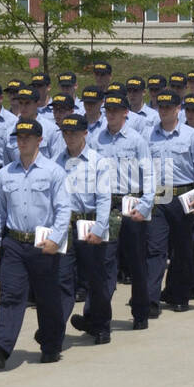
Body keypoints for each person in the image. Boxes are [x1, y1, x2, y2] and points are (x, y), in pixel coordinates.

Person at [0, 119, 73, 367]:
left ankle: (51, 345)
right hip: (14, 243)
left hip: (43, 244)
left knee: (47, 298)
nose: (21, 141)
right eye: (19, 137)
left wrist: (56, 239)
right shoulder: (5, 173)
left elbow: (63, 209)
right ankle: (1, 347)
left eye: (27, 137)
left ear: (39, 140)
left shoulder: (54, 171)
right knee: (10, 295)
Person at [94, 93, 157, 329]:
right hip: (106, 207)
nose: (110, 113)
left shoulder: (136, 140)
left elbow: (149, 174)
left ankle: (140, 312)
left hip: (131, 206)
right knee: (105, 263)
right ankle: (99, 318)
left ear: (125, 112)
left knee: (136, 263)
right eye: (107, 109)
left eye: (115, 109)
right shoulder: (96, 138)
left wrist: (146, 204)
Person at [146, 90, 194, 314]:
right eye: (160, 106)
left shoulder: (191, 136)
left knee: (183, 250)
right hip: (158, 196)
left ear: (177, 110)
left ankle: (179, 294)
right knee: (155, 249)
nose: (163, 110)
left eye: (168, 107)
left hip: (183, 196)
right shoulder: (149, 135)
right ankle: (150, 300)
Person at [57, 114, 116, 344]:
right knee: (62, 279)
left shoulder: (97, 162)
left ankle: (100, 325)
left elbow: (103, 198)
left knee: (96, 280)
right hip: (65, 226)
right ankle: (55, 328)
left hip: (91, 225)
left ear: (85, 134)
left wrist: (100, 228)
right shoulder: (56, 162)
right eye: (65, 133)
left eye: (74, 133)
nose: (69, 137)